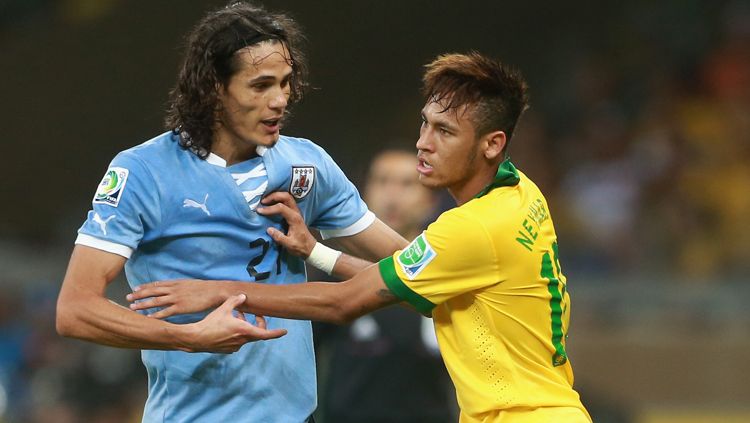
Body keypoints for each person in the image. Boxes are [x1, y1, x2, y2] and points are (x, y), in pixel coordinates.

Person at [129, 52, 592, 422]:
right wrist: (317, 252)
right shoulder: (521, 193)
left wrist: (216, 291)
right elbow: (415, 277)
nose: (423, 143)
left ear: (492, 144)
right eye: (425, 122)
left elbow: (343, 304)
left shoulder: (471, 228)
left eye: (445, 131)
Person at [55, 2, 405, 422]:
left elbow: (414, 267)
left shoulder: (306, 167)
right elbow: (75, 309)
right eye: (260, 86)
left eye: (286, 83)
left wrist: (316, 252)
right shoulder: (144, 172)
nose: (280, 101)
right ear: (213, 87)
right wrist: (187, 337)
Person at [316, 147, 457, 423]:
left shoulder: (450, 270)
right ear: (363, 193)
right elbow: (303, 355)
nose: (392, 196)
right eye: (382, 181)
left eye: (406, 184)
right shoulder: (337, 271)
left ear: (431, 199)